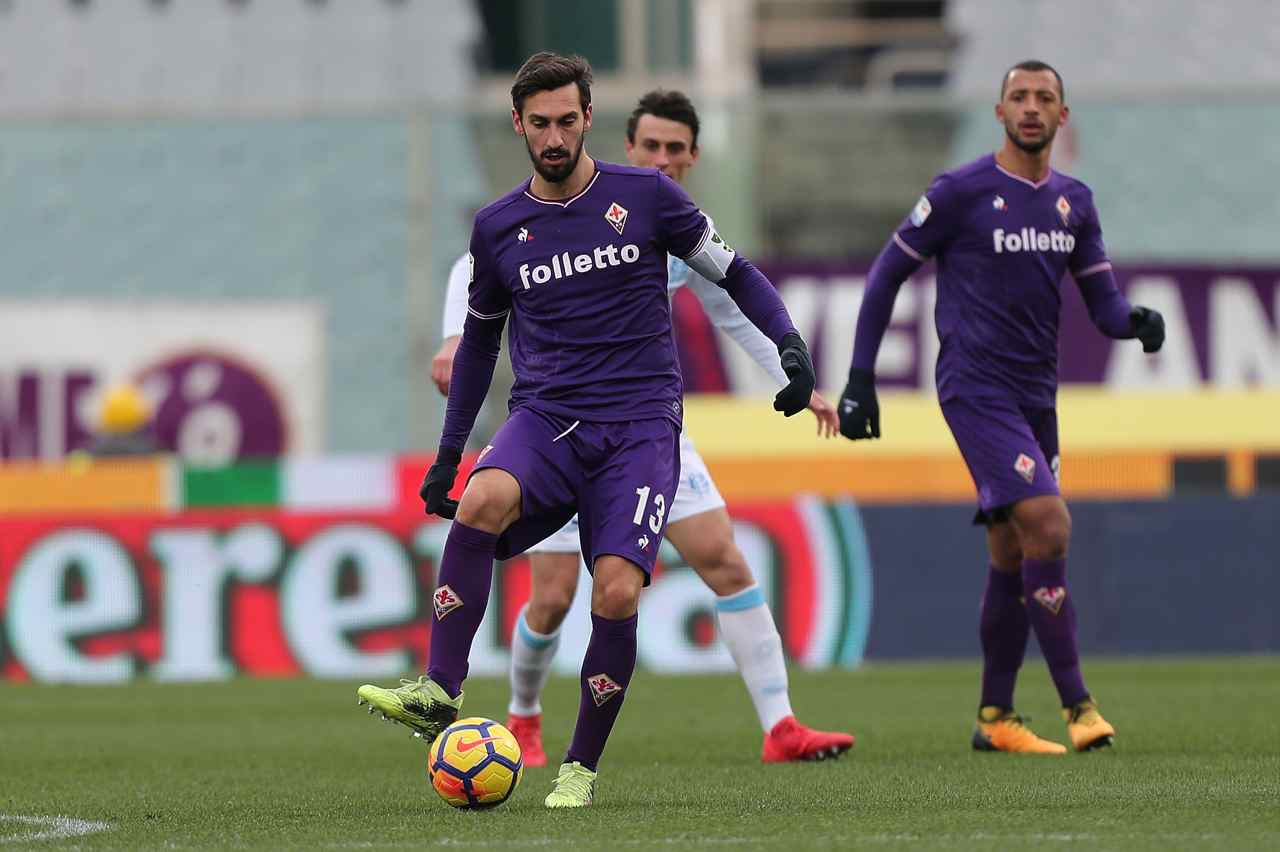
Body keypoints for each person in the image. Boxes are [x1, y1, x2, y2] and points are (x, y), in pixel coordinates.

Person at [358, 52, 818, 808]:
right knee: (477, 503)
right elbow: (478, 345)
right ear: (519, 124)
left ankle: (579, 768)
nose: (554, 135)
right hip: (547, 418)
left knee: (613, 591)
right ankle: (440, 688)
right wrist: (448, 454)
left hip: (640, 426)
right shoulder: (500, 227)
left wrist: (789, 346)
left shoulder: (645, 196)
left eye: (567, 120)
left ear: (587, 118)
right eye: (539, 123)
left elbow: (733, 274)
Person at [837, 60, 1165, 754]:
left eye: (1045, 97)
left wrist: (1136, 321)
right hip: (974, 389)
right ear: (999, 110)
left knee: (1012, 550)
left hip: (1035, 399)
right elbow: (886, 273)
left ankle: (996, 719)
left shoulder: (1074, 202)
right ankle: (1079, 708)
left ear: (1063, 117)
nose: (1031, 107)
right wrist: (861, 377)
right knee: (1048, 523)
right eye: (1019, 96)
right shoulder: (961, 192)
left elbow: (1101, 307)